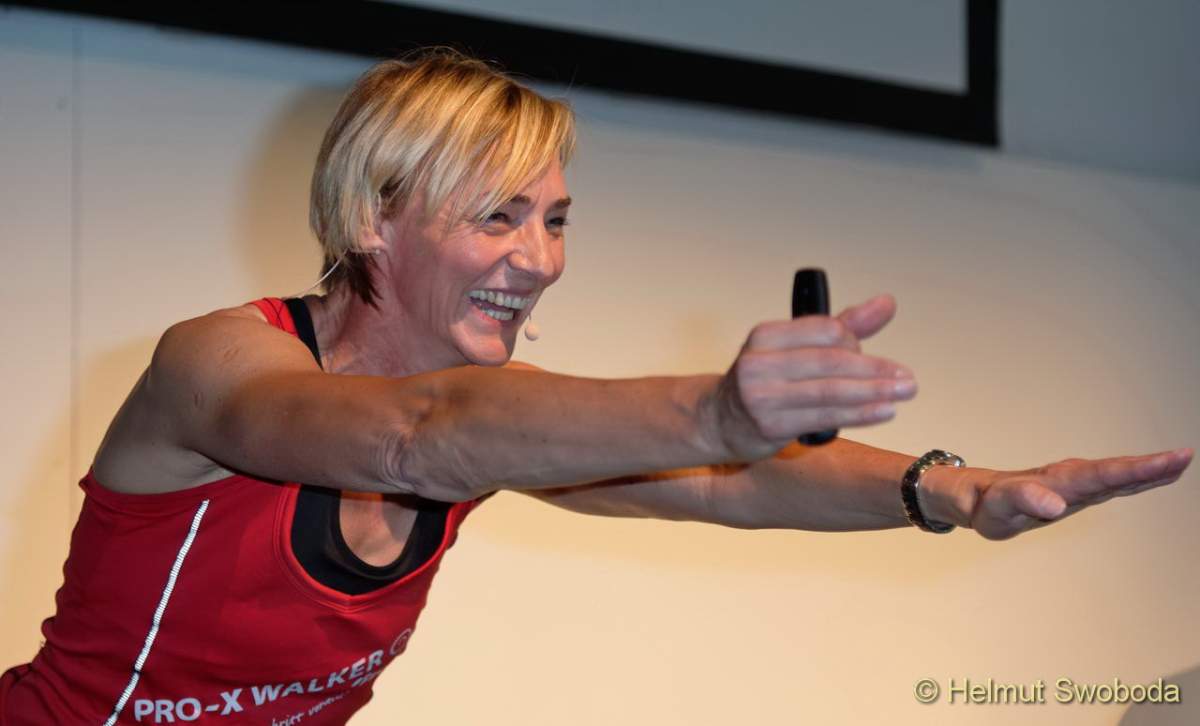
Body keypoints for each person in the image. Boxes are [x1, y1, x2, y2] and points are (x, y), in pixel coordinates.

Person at [0, 47, 1192, 725]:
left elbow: (724, 485)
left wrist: (957, 493)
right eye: (499, 216)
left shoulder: (490, 424)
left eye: (557, 220)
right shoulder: (215, 364)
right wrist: (719, 407)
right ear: (371, 217)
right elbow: (411, 437)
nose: (539, 260)